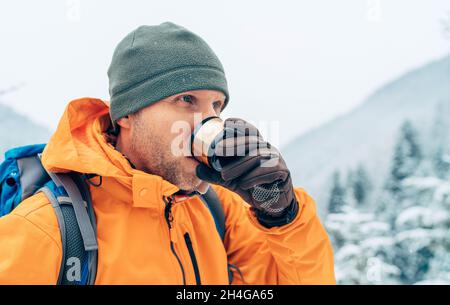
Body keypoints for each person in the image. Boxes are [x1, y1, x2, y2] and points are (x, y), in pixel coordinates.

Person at [0, 21, 335, 284]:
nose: (209, 121)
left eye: (216, 105)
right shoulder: (48, 229)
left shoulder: (217, 208)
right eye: (186, 100)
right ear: (128, 114)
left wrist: (281, 214)